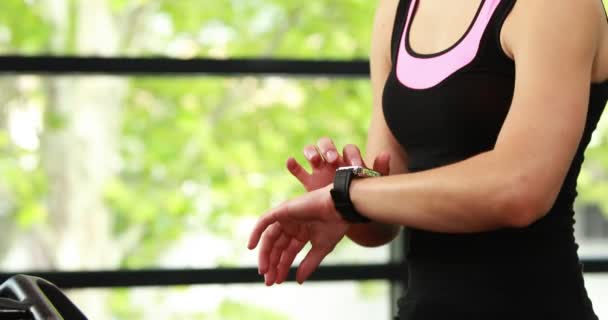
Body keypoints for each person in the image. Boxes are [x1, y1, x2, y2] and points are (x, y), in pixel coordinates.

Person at [248, 0, 608, 318]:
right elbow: (384, 213)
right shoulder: (397, 9)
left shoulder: (557, 5)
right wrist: (345, 206)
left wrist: (348, 195)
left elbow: (519, 190)